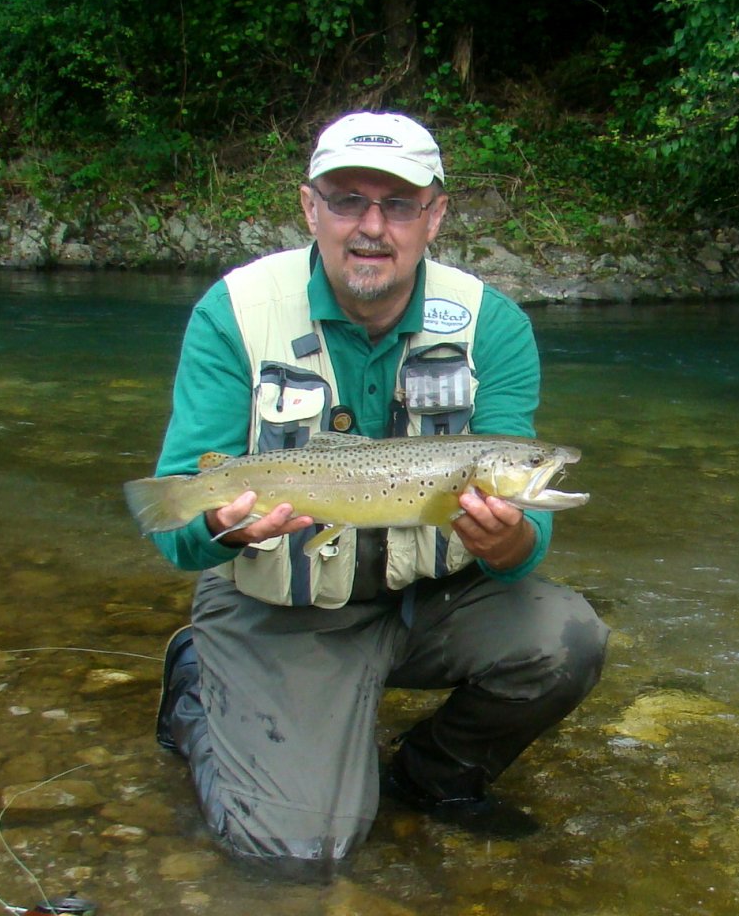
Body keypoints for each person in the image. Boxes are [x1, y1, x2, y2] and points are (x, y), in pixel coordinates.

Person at [144, 111, 609, 878]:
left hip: (429, 603)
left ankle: (431, 775)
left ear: (434, 216)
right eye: (346, 200)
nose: (370, 226)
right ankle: (201, 689)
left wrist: (514, 543)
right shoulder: (233, 313)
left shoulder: (492, 326)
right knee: (296, 858)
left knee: (568, 637)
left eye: (396, 204)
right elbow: (175, 533)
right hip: (282, 611)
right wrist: (225, 530)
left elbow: (523, 552)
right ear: (308, 208)